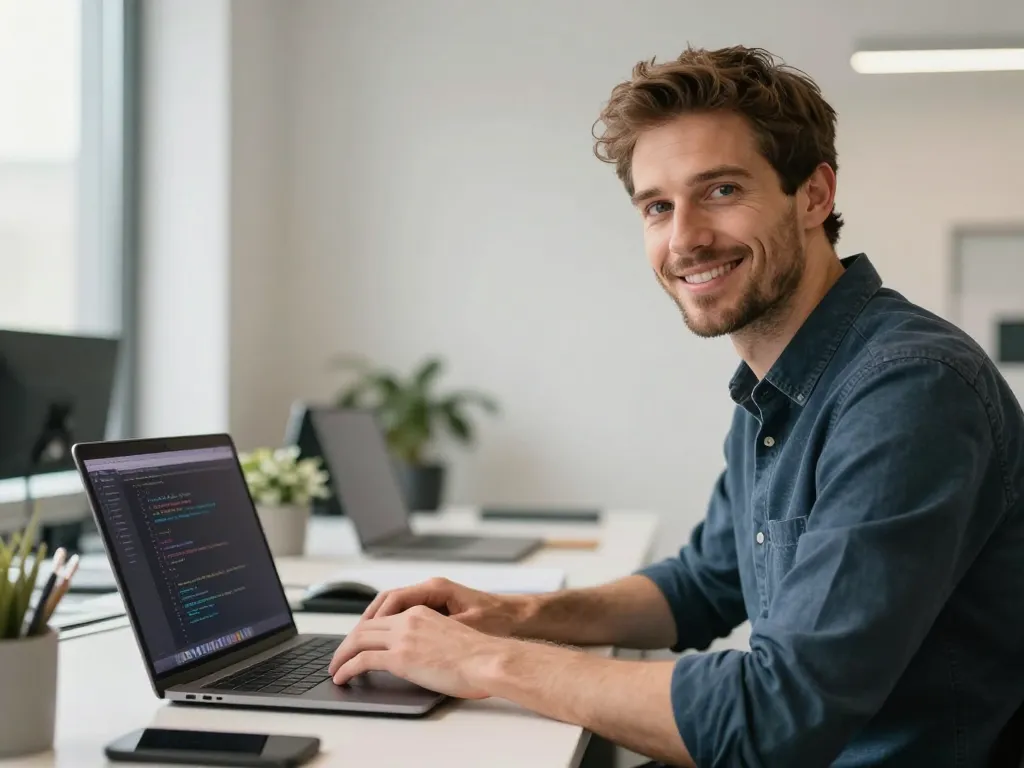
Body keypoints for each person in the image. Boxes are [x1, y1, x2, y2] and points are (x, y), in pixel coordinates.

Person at [328, 45, 1024, 767]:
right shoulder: (777, 383)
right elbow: (706, 584)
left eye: (721, 191)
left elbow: (778, 716)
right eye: (658, 207)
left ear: (814, 195)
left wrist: (483, 662)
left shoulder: (910, 389)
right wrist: (511, 616)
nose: (684, 238)